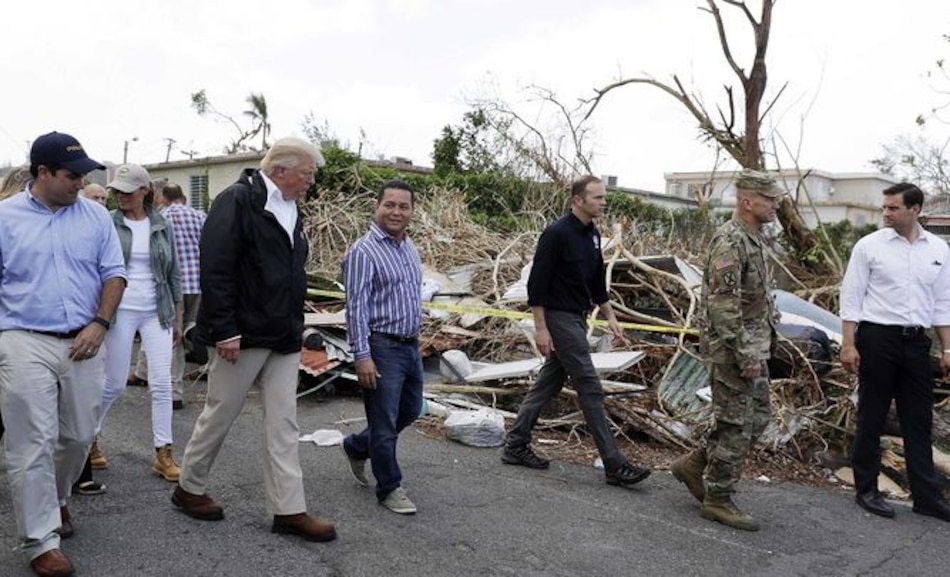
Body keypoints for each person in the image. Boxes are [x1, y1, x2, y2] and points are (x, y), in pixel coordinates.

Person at [172, 137, 336, 542]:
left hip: (282, 333)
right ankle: (189, 488)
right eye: (306, 174)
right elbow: (217, 268)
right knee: (220, 413)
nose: (310, 183)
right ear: (281, 169)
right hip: (240, 334)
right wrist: (225, 329)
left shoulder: (291, 207)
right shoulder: (238, 201)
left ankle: (289, 509)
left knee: (284, 423)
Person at [0, 132, 126, 577]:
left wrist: (100, 323)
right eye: (72, 176)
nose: (81, 183)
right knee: (31, 440)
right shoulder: (5, 218)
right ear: (43, 173)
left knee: (77, 437)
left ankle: (56, 501)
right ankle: (40, 541)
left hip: (85, 338)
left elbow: (114, 274)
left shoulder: (95, 217)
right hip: (23, 338)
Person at [501, 175, 652, 489]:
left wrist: (610, 318)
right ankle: (614, 464)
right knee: (589, 386)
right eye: (597, 197)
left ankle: (515, 443)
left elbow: (597, 283)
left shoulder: (592, 235)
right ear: (578, 200)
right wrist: (541, 329)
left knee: (549, 382)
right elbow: (536, 286)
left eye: (603, 197)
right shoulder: (556, 234)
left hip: (577, 317)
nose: (603, 202)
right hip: (558, 317)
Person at [669, 169, 782, 532]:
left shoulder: (755, 238)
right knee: (736, 424)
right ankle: (718, 498)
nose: (776, 205)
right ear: (747, 201)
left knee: (757, 417)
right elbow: (722, 304)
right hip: (733, 350)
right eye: (770, 199)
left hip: (754, 347)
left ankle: (694, 463)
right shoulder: (730, 240)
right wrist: (745, 353)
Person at [840, 182, 950, 522]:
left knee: (918, 421)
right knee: (871, 415)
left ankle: (926, 497)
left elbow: (943, 303)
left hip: (917, 343)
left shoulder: (938, 249)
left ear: (914, 210)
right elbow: (852, 296)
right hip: (877, 339)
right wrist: (848, 343)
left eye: (893, 208)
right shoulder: (869, 246)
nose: (886, 213)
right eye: (884, 207)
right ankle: (867, 489)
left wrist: (947, 348)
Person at [341, 180, 424, 514]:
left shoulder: (409, 247)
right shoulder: (363, 252)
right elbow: (356, 307)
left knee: (411, 410)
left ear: (412, 211)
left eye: (403, 206)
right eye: (389, 205)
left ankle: (358, 445)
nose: (396, 212)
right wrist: (362, 355)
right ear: (377, 207)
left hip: (410, 346)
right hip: (381, 346)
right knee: (385, 421)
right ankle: (389, 487)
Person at [96, 163, 183, 482]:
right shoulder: (107, 223)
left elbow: (174, 271)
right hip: (119, 309)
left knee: (161, 383)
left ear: (145, 191)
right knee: (114, 383)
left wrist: (178, 316)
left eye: (128, 191)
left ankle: (163, 451)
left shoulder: (162, 224)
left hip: (156, 310)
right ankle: (89, 437)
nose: (121, 196)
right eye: (117, 190)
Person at [128, 183, 205, 410]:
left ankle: (173, 391)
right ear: (184, 198)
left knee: (171, 337)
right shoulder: (200, 217)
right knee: (192, 330)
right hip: (198, 284)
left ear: (162, 198)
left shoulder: (159, 219)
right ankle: (144, 372)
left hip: (171, 286)